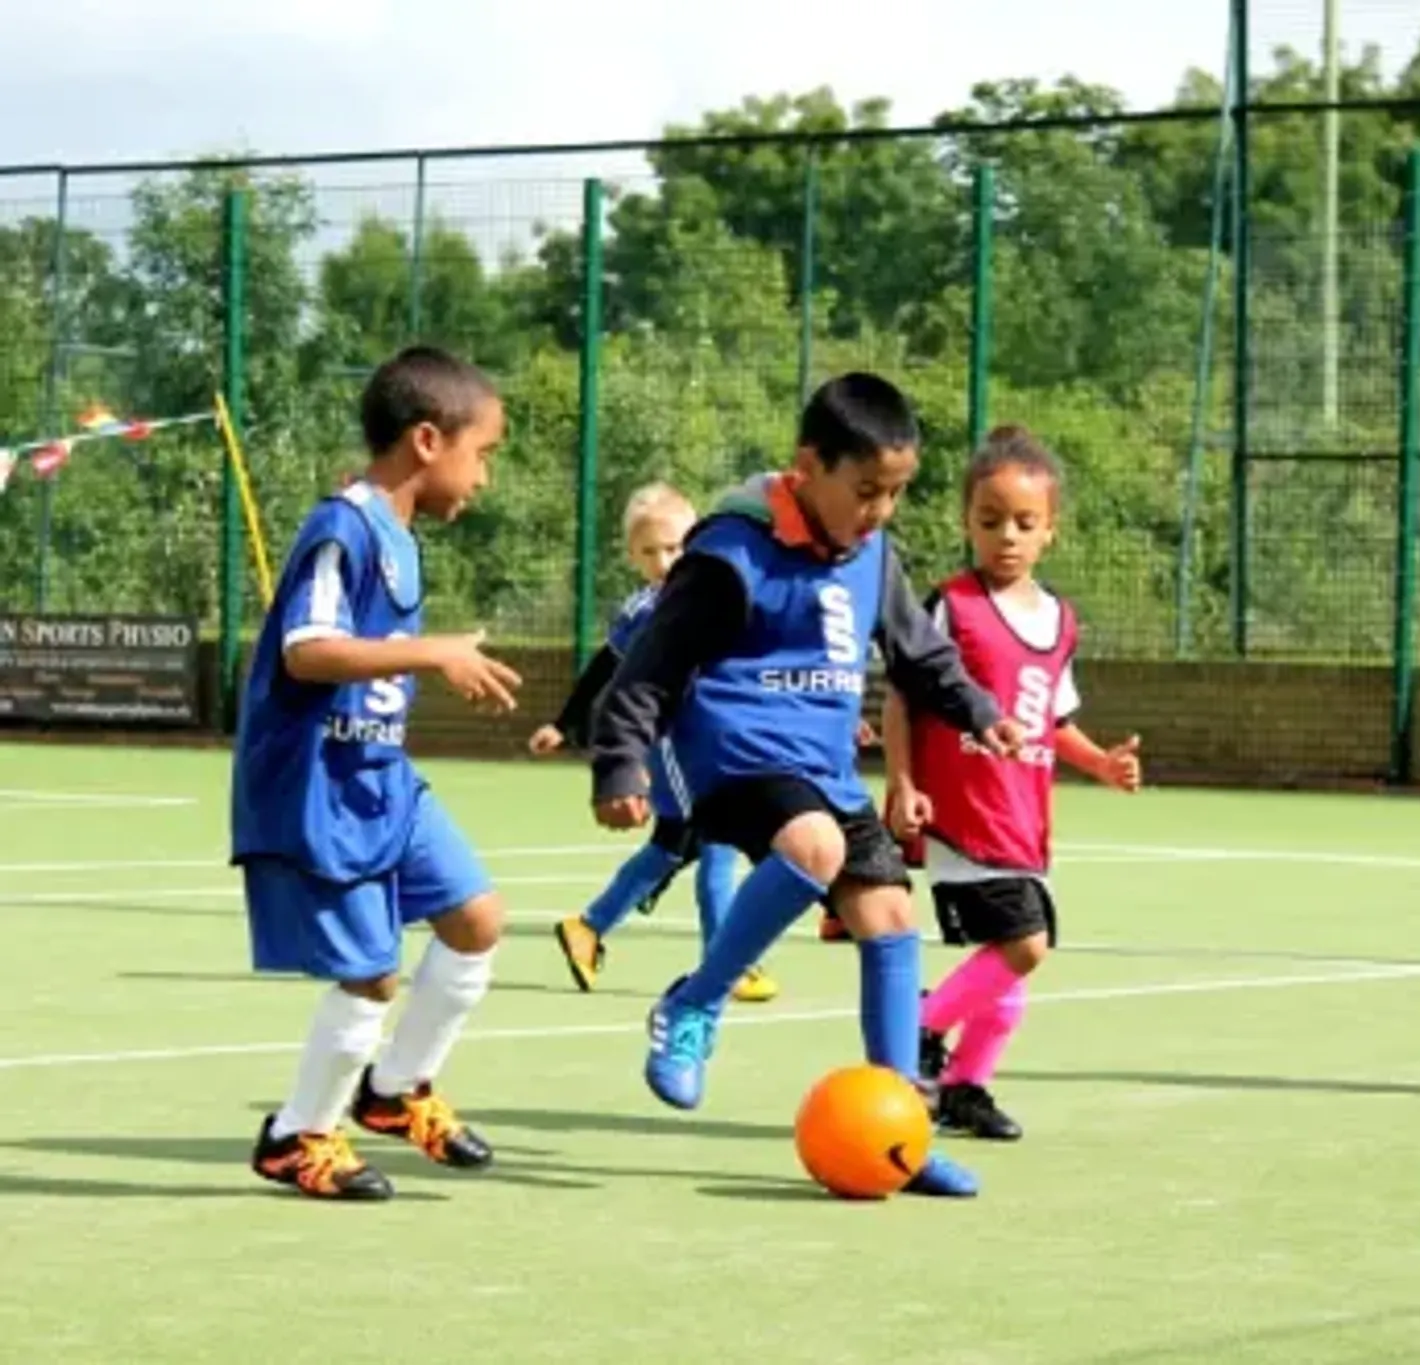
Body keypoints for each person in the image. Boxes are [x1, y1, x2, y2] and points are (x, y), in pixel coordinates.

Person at [588, 372, 1022, 1198]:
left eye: (895, 493)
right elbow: (647, 669)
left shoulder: (875, 555)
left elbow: (920, 653)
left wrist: (977, 708)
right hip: (735, 754)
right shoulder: (730, 553)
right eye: (866, 491)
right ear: (807, 467)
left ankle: (903, 1130)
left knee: (890, 914)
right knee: (814, 846)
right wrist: (621, 761)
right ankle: (694, 1003)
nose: (881, 510)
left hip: (821, 768)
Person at [233, 346, 520, 1200]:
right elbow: (308, 650)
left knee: (477, 917)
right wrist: (429, 652)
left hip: (381, 777)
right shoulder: (343, 528)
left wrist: (423, 657)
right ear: (428, 440)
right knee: (373, 971)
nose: (486, 477)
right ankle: (297, 1136)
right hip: (320, 787)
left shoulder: (398, 535)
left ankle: (394, 1092)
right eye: (485, 454)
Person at [882, 424, 1142, 1141]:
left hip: (1023, 817)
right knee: (1026, 941)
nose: (1007, 536)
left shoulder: (1058, 621)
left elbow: (1051, 715)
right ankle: (921, 1027)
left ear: (1051, 530)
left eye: (1025, 523)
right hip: (964, 814)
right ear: (966, 521)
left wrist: (1100, 763)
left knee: (1008, 971)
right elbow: (904, 697)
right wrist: (903, 783)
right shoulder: (951, 607)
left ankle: (965, 1086)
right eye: (990, 520)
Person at [529, 482, 772, 1002]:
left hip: (710, 739)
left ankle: (589, 927)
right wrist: (565, 722)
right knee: (717, 845)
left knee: (674, 846)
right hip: (673, 742)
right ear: (632, 555)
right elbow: (606, 667)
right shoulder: (648, 608)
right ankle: (727, 964)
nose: (663, 561)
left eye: (674, 548)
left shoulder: (716, 592)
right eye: (649, 551)